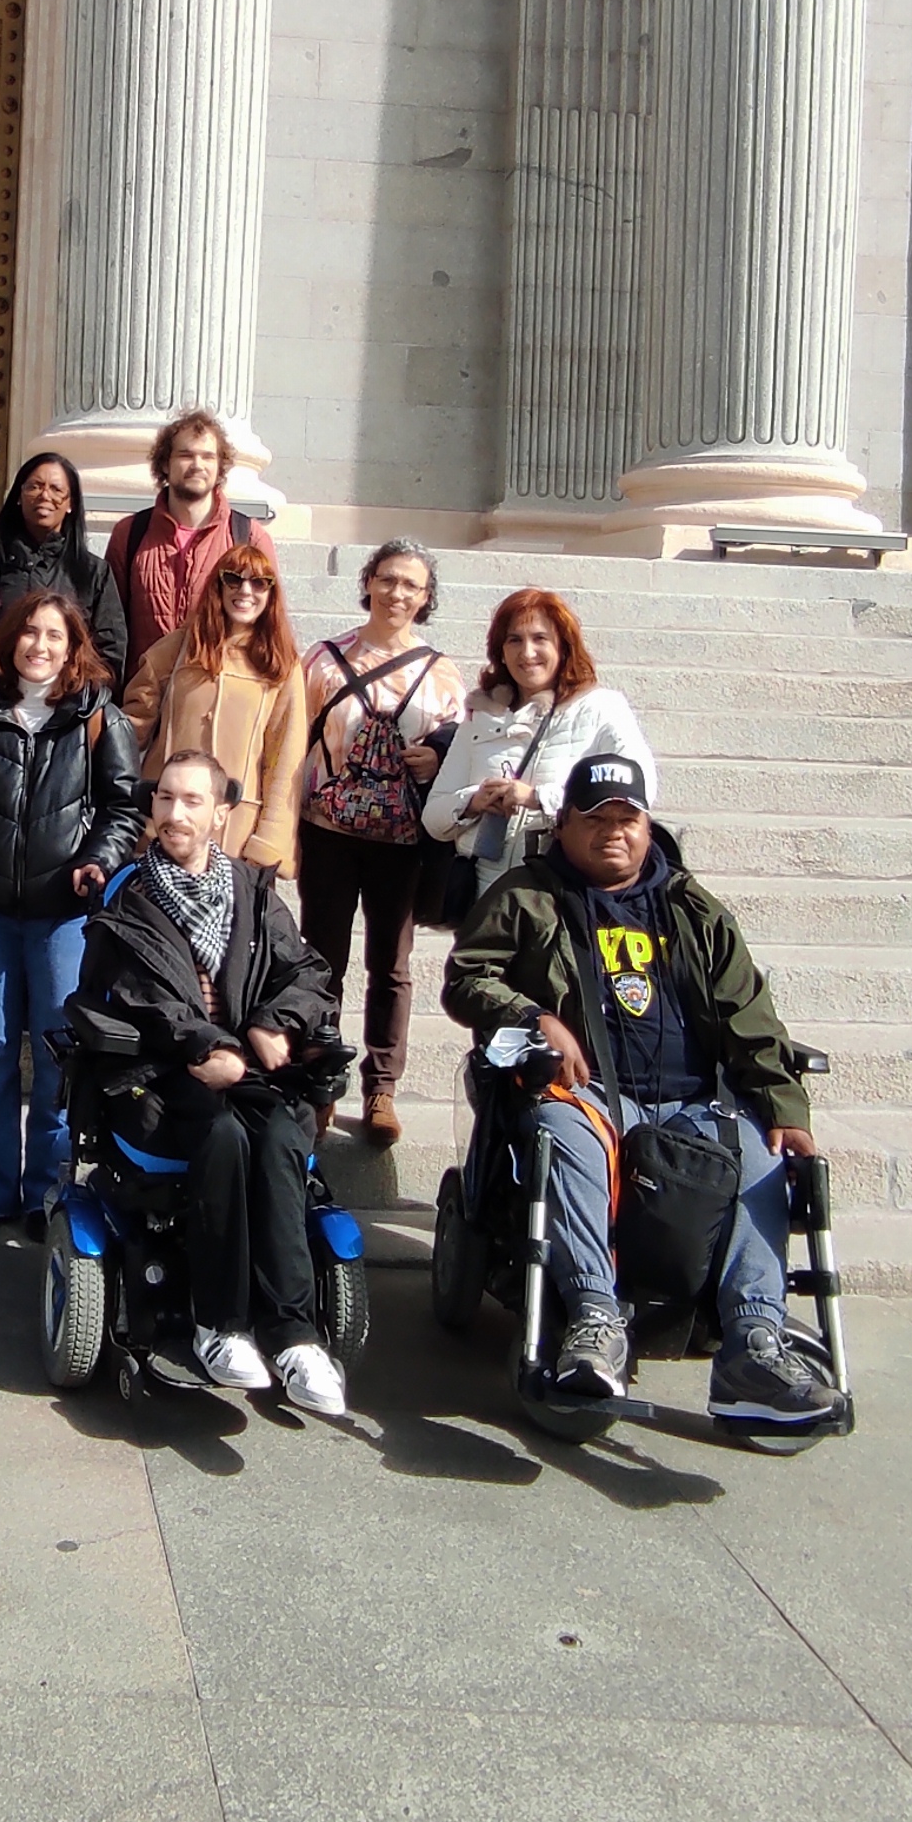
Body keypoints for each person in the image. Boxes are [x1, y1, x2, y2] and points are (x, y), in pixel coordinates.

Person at [439, 754, 837, 1426]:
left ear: (648, 826)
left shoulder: (693, 908)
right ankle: (595, 1317)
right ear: (565, 824)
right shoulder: (526, 895)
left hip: (695, 1099)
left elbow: (749, 1018)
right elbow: (467, 978)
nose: (613, 832)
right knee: (559, 1131)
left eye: (628, 819)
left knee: (764, 1152)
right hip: (586, 1092)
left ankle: (754, 1343)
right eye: (596, 819)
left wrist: (783, 1107)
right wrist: (532, 1017)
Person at [68, 750, 352, 1417]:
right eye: (165, 798)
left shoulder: (253, 892)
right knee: (221, 1136)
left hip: (248, 1069)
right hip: (155, 1070)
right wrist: (207, 1042)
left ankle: (293, 1334)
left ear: (222, 814)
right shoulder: (130, 897)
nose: (175, 813)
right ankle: (219, 1324)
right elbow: (134, 994)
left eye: (192, 801)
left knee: (280, 1134)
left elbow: (307, 973)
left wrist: (276, 1022)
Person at [0, 590, 142, 1240]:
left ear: (73, 646)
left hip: (63, 913)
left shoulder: (99, 717)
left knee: (58, 1053)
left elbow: (124, 807)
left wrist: (98, 860)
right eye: (30, 631)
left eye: (55, 635)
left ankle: (48, 1191)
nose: (40, 645)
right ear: (10, 639)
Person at [296, 539, 466, 1147]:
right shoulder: (322, 661)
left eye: (411, 585)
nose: (397, 593)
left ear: (426, 598)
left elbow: (461, 748)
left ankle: (381, 1087)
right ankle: (318, 1080)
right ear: (368, 581)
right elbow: (294, 743)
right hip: (327, 833)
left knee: (390, 964)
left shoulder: (441, 673)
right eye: (388, 579)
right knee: (321, 959)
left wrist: (437, 756)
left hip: (401, 842)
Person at [423, 588, 662, 888]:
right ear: (501, 652)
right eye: (514, 640)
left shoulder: (601, 709)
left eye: (540, 639)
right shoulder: (480, 715)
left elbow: (641, 790)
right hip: (486, 893)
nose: (527, 653)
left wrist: (538, 798)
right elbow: (433, 818)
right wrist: (473, 800)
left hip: (562, 889)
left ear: (563, 647)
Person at [120, 540, 307, 878]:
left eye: (259, 583)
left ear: (271, 592)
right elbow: (129, 733)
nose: (245, 591)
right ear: (218, 586)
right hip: (165, 825)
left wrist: (269, 840)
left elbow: (286, 759)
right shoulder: (177, 648)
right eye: (233, 579)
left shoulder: (280, 664)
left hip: (237, 834)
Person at [0, 451, 128, 696]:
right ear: (18, 496)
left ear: (71, 503)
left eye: (56, 489)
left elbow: (109, 653)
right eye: (34, 486)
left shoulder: (93, 574)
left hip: (69, 709)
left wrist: (76, 702)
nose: (45, 495)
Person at [109, 408, 278, 670]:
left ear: (219, 467)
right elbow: (109, 625)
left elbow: (271, 625)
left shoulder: (248, 536)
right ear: (165, 463)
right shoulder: (130, 534)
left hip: (216, 687)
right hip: (144, 690)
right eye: (186, 455)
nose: (197, 465)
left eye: (208, 456)